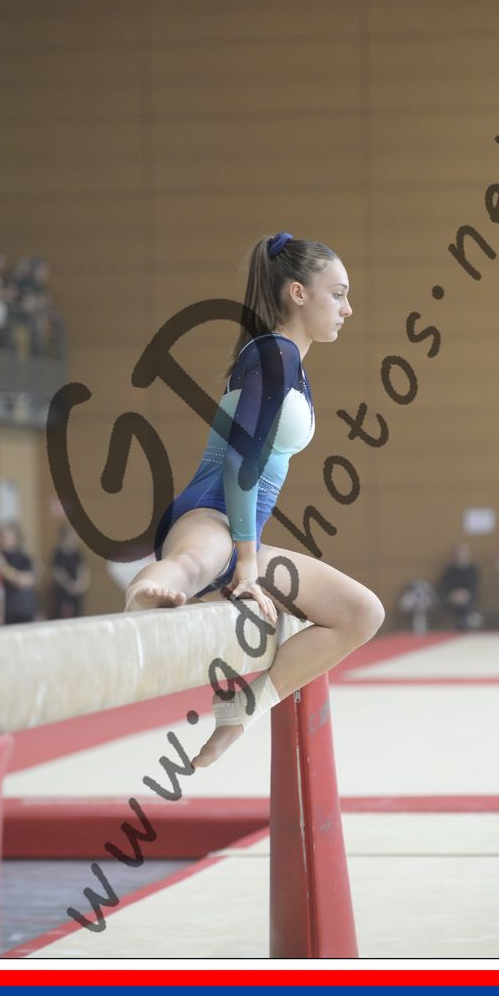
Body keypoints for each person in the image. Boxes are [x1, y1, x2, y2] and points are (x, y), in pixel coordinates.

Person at [123, 232, 385, 768]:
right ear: (298, 293)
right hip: (212, 514)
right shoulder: (272, 353)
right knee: (196, 562)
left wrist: (248, 557)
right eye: (338, 294)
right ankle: (147, 597)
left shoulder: (290, 362)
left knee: (361, 613)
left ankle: (243, 709)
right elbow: (241, 461)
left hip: (245, 536)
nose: (347, 309)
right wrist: (245, 563)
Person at [0, 521, 39, 624]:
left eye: (5, 537)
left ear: (15, 538)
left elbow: (25, 582)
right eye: (0, 536)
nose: (1, 540)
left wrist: (4, 569)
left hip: (23, 611)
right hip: (2, 613)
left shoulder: (24, 558)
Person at [49, 517, 90, 619]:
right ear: (65, 535)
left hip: (76, 591)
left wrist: (80, 584)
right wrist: (69, 585)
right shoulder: (57, 553)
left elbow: (83, 569)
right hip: (63, 592)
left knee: (78, 617)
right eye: (72, 533)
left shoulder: (78, 552)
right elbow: (57, 572)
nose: (75, 536)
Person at [439, 542, 482, 630]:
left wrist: (464, 595)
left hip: (468, 598)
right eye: (457, 554)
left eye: (462, 553)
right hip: (452, 599)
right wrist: (453, 595)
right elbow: (445, 586)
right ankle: (460, 625)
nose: (460, 556)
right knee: (455, 604)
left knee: (466, 606)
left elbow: (474, 586)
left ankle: (464, 624)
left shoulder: (472, 570)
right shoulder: (449, 571)